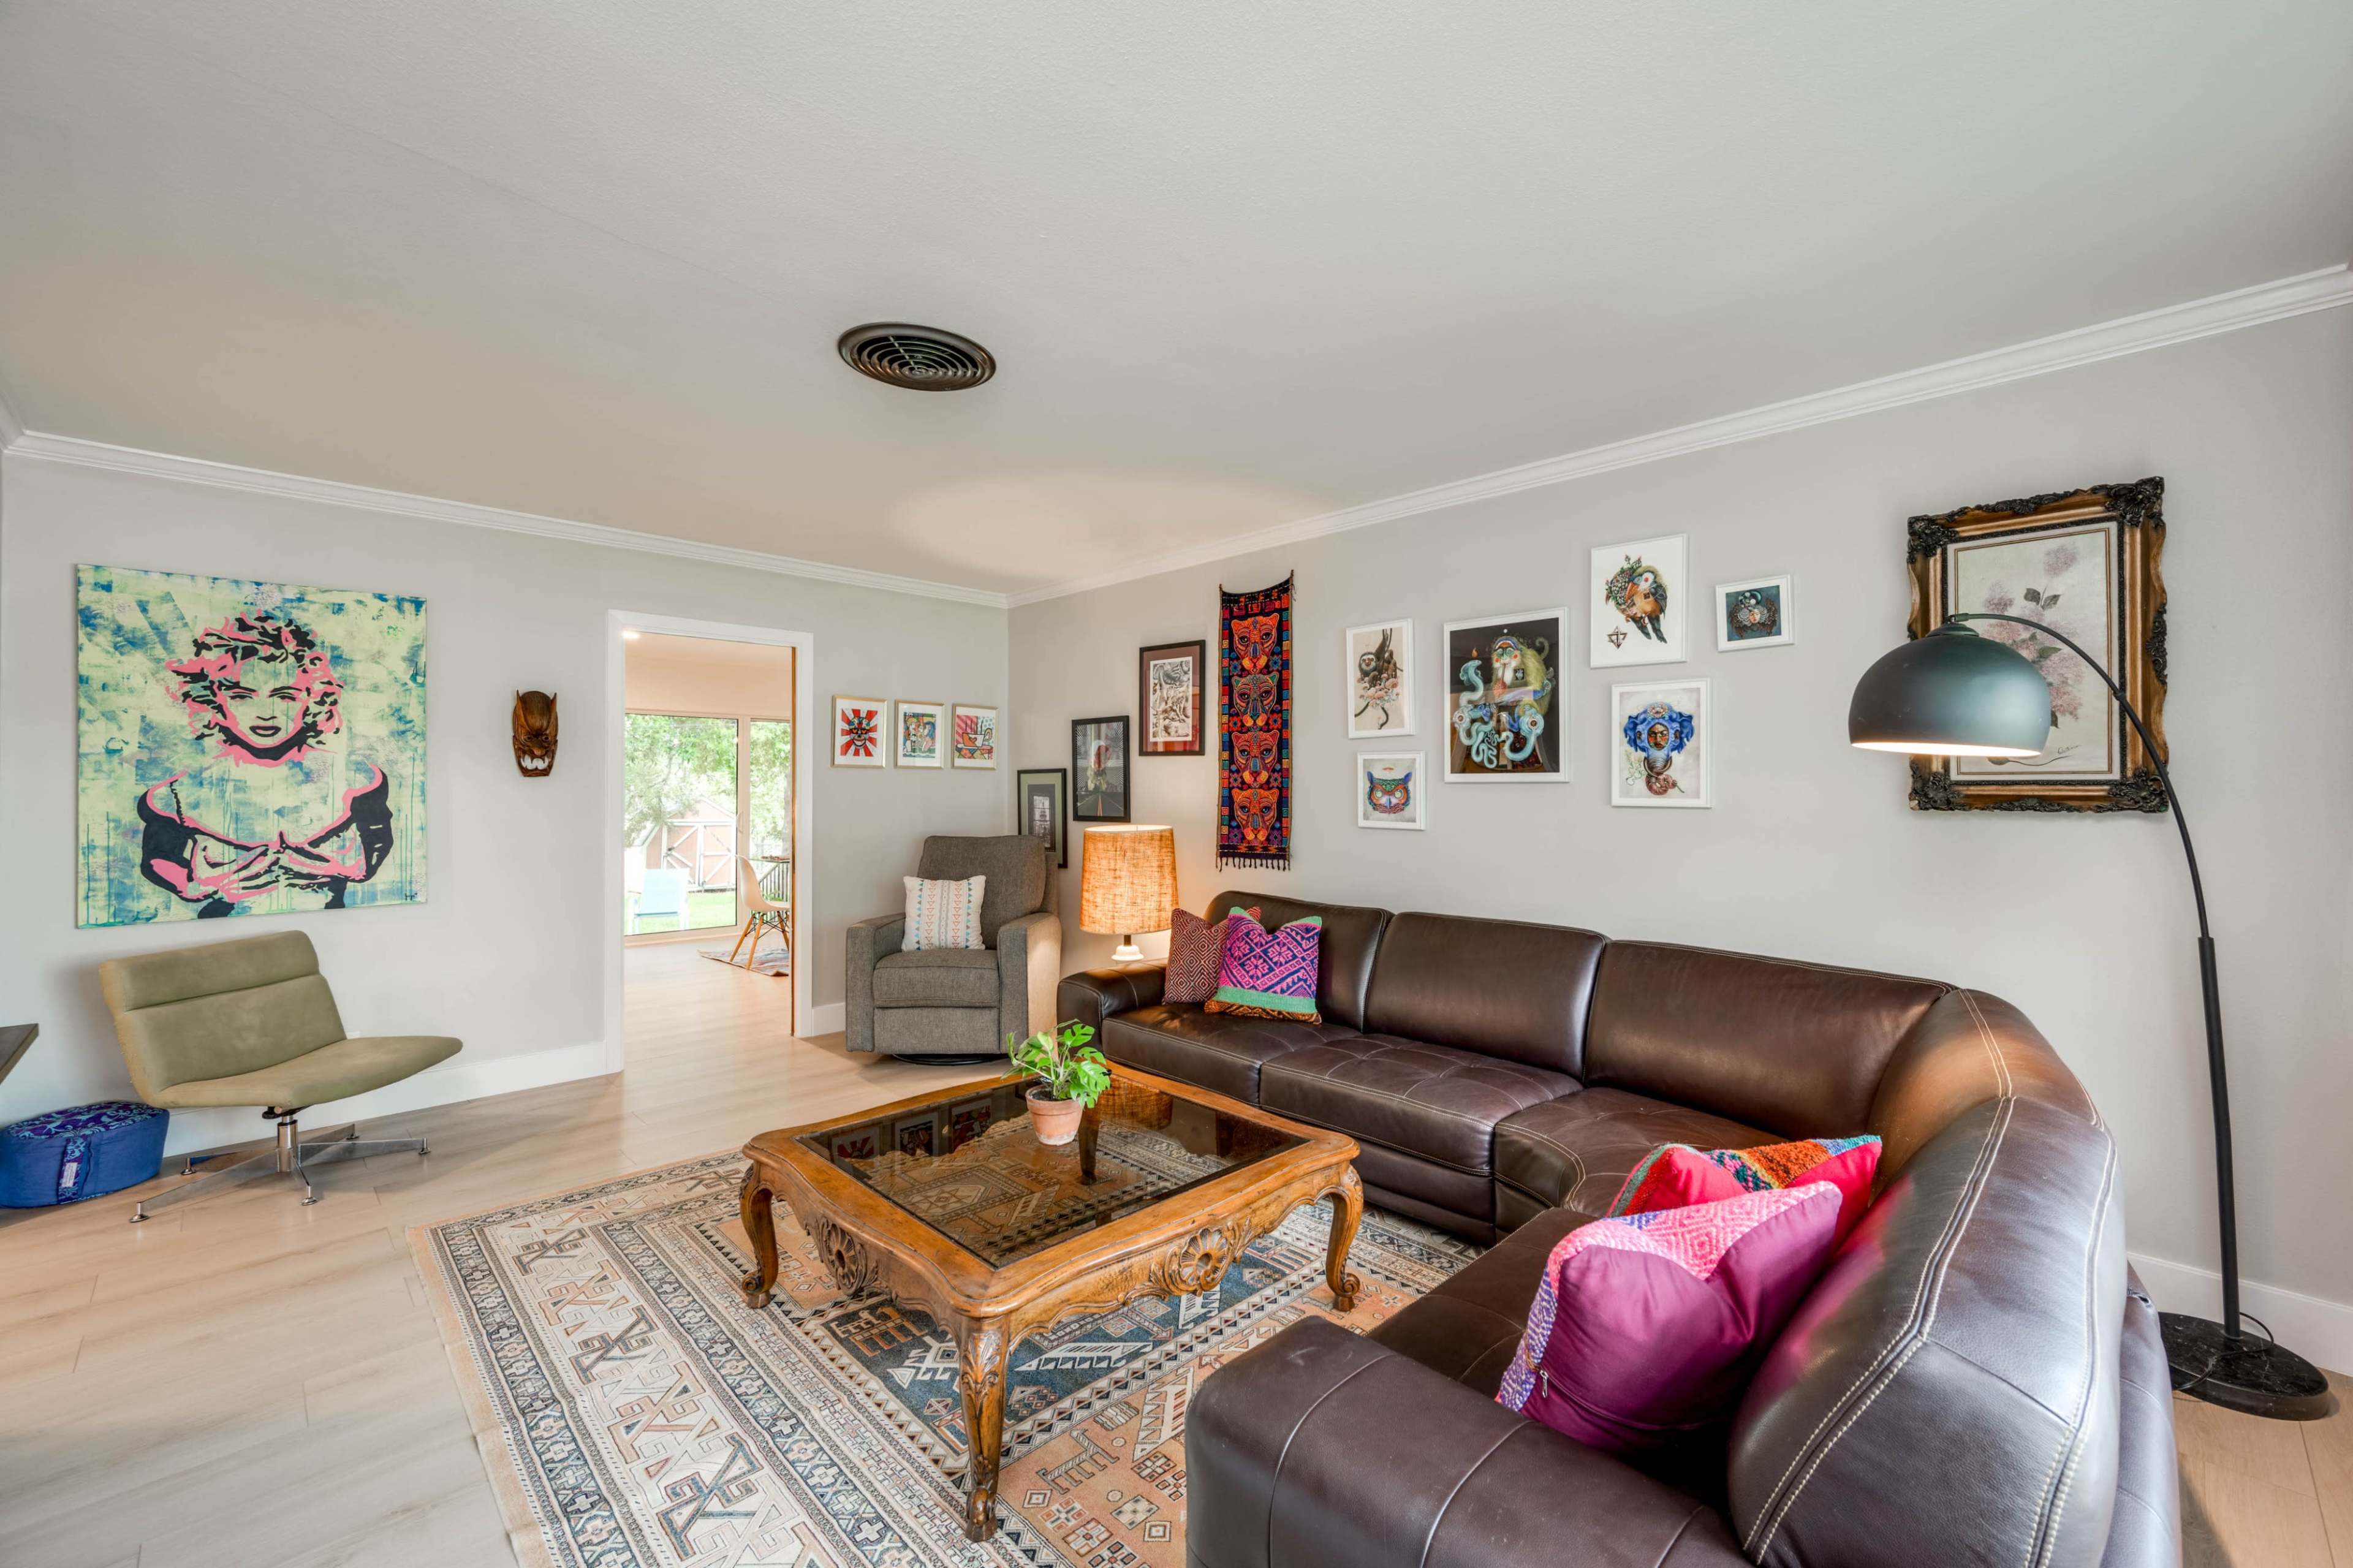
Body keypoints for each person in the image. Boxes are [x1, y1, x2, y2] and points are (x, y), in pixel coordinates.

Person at [136, 608, 393, 917]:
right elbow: (157, 859)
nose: (265, 713)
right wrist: (197, 887)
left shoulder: (357, 782)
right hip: (221, 937)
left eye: (285, 696)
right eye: (242, 696)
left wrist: (350, 869)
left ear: (311, 699)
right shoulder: (177, 795)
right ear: (213, 701)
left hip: (332, 931)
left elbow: (377, 847)